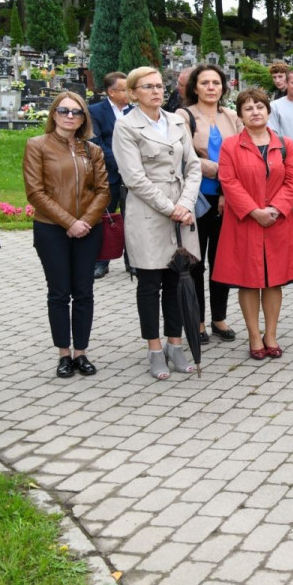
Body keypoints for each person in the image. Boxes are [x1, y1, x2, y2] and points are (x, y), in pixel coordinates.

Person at [112, 66, 203, 380]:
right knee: (151, 285)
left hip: (182, 211)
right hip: (150, 214)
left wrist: (186, 203)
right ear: (134, 93)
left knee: (177, 281)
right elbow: (134, 178)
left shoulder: (176, 121)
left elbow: (193, 167)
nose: (155, 91)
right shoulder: (126, 126)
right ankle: (154, 348)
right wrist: (170, 208)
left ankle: (175, 345)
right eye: (147, 87)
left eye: (158, 86)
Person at [212, 88, 293, 359]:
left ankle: (271, 334)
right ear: (240, 115)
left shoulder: (285, 144)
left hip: (278, 221)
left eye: (260, 107)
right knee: (249, 281)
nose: (255, 112)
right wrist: (254, 211)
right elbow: (228, 182)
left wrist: (275, 209)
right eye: (249, 108)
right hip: (245, 222)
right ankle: (254, 336)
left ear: (268, 110)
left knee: (274, 281)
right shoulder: (231, 145)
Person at [23, 91, 110, 377]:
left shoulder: (92, 150)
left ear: (84, 117)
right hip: (51, 229)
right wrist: (68, 222)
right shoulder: (37, 146)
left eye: (77, 112)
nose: (70, 116)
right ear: (53, 114)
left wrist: (84, 221)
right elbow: (36, 192)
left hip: (88, 229)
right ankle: (63, 354)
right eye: (64, 111)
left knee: (84, 292)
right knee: (59, 293)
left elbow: (103, 191)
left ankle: (81, 352)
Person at [178, 64, 243, 345]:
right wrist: (220, 169)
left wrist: (228, 189)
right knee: (195, 264)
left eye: (216, 83)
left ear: (223, 87)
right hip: (196, 199)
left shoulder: (231, 116)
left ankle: (219, 318)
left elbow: (243, 152)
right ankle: (198, 321)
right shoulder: (183, 116)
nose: (211, 87)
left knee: (222, 263)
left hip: (228, 199)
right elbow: (185, 154)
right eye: (205, 83)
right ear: (195, 87)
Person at [88, 71, 130, 278]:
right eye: (125, 89)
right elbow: (95, 142)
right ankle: (101, 262)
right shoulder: (95, 111)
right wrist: (121, 163)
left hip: (134, 176)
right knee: (106, 217)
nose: (129, 92)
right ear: (111, 92)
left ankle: (134, 262)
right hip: (109, 174)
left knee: (133, 218)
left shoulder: (136, 111)